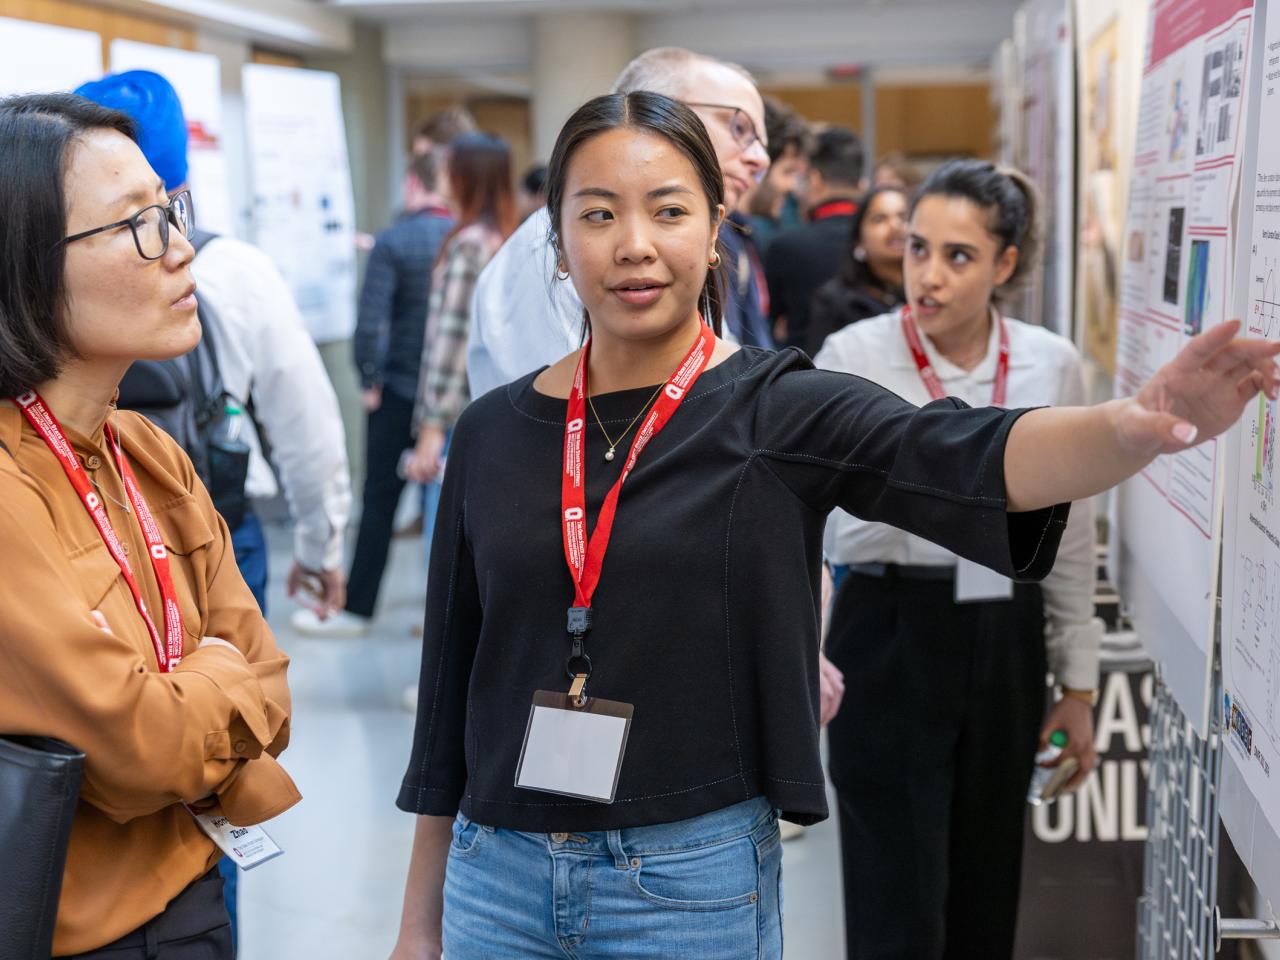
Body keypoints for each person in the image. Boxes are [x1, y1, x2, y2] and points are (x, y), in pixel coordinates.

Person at [388, 91, 1280, 960]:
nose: (633, 246)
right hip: (494, 877)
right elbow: (451, 687)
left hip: (685, 885)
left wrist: (1131, 425)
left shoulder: (775, 410)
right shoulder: (493, 430)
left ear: (712, 235)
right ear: (557, 244)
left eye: (667, 211)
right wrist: (419, 922)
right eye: (596, 215)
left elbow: (962, 453)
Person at [0, 92, 300, 959]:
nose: (178, 250)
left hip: (196, 899)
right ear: (24, 264)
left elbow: (273, 685)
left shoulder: (146, 453)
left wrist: (187, 698)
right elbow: (134, 752)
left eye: (171, 211)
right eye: (136, 225)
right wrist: (210, 681)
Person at [815, 160, 1105, 959]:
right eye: (916, 249)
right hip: (884, 626)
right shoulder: (854, 354)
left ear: (1006, 264)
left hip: (1002, 626)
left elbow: (1071, 534)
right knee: (892, 892)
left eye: (958, 256)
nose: (927, 276)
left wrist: (1077, 685)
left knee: (988, 879)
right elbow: (806, 517)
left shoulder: (1050, 365)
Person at [76, 71, 352, 621]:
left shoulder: (58, 275)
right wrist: (319, 547)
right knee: (236, 692)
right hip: (214, 527)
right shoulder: (237, 269)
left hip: (90, 529)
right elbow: (305, 424)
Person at [466, 47, 771, 398]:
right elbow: (580, 419)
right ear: (658, 110)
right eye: (739, 128)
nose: (759, 158)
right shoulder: (552, 251)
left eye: (670, 213)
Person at [292, 151, 454, 638]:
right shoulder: (462, 239)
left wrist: (367, 379)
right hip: (448, 399)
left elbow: (371, 320)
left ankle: (357, 608)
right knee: (445, 511)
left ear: (411, 184)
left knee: (379, 502)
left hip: (397, 391)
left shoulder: (394, 241)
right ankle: (439, 620)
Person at [403, 132, 517, 487]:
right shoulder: (499, 237)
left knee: (444, 536)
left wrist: (432, 424)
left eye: (448, 166)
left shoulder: (470, 245)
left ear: (466, 175)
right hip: (481, 410)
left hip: (457, 419)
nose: (440, 174)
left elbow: (452, 338)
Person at [766, 126, 867, 351]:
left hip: (804, 376)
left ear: (815, 179)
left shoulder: (787, 246)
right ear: (860, 182)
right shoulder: (879, 244)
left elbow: (767, 324)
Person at [807, 184, 908, 356]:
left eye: (903, 217)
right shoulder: (834, 301)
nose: (895, 226)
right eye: (880, 219)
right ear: (859, 240)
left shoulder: (929, 293)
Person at [743, 94, 811, 258]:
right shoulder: (724, 246)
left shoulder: (746, 237)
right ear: (758, 164)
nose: (791, 186)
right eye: (787, 171)